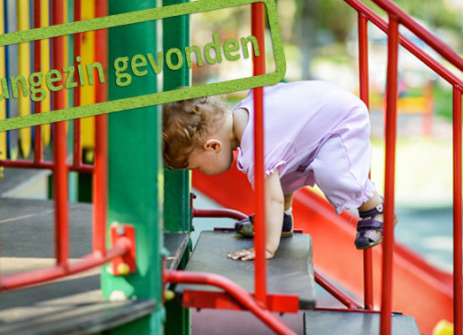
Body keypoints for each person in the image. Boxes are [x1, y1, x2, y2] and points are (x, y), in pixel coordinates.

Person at [162, 81, 387, 261]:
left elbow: (273, 199)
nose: (202, 171)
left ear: (213, 146)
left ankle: (375, 208)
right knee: (279, 170)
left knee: (334, 173)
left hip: (342, 118)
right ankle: (282, 222)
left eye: (198, 166)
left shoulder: (257, 143)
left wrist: (266, 248)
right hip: (327, 109)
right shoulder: (243, 116)